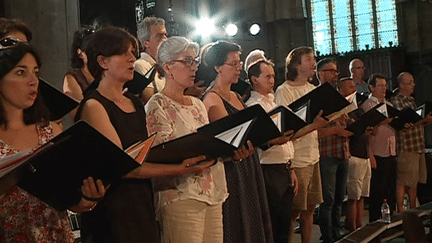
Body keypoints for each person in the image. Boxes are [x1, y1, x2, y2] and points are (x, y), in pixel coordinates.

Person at [75, 26, 211, 243]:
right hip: (114, 210)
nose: (133, 58)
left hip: (142, 202)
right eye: (124, 53)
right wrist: (180, 168)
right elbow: (123, 166)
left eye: (133, 52)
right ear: (102, 62)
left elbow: (145, 153)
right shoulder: (94, 105)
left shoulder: (135, 103)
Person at [145, 36, 252, 243]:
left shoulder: (197, 104)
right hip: (180, 194)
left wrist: (231, 154)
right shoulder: (157, 104)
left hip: (211, 190)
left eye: (194, 61)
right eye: (187, 61)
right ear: (167, 67)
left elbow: (209, 148)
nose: (194, 67)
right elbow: (163, 152)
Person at [0, 38, 105, 242]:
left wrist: (87, 199)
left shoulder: (50, 131)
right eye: (21, 72)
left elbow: (69, 200)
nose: (33, 81)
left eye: (36, 72)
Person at [202, 41, 273, 243]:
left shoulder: (235, 95)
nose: (238, 67)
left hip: (249, 164)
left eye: (239, 62)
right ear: (217, 67)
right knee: (238, 224)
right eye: (233, 63)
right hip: (233, 170)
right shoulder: (211, 98)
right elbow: (229, 136)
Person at [244, 49, 298, 243]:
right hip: (267, 169)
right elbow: (258, 140)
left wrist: (290, 168)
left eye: (273, 76)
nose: (272, 80)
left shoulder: (272, 101)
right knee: (272, 225)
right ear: (254, 79)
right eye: (267, 76)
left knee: (284, 224)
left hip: (283, 168)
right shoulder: (253, 106)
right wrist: (277, 139)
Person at [274, 46, 324, 243]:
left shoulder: (313, 90)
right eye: (309, 59)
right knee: (293, 211)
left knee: (310, 207)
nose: (314, 63)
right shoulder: (284, 91)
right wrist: (315, 126)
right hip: (297, 159)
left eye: (314, 59)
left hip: (314, 156)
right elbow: (285, 133)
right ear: (296, 64)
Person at [316, 58, 353, 243]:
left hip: (343, 152)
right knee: (327, 200)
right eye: (332, 71)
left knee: (340, 197)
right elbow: (312, 132)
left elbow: (346, 122)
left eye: (336, 71)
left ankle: (337, 232)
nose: (336, 74)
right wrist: (336, 129)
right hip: (327, 153)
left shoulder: (339, 97)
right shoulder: (315, 97)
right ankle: (327, 236)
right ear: (321, 74)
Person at [390, 72, 432, 212]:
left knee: (414, 181)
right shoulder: (397, 101)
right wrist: (423, 120)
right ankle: (401, 211)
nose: (413, 85)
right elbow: (404, 123)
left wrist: (425, 122)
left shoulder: (412, 100)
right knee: (403, 180)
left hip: (417, 145)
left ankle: (413, 209)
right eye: (410, 83)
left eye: (413, 82)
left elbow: (415, 123)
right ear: (401, 85)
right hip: (407, 146)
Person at [361, 73, 397, 222]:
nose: (384, 88)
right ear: (371, 87)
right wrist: (370, 154)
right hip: (377, 153)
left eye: (385, 85)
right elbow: (368, 132)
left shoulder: (389, 105)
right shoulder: (368, 105)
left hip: (390, 150)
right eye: (380, 85)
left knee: (390, 189)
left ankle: (390, 221)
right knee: (377, 191)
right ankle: (375, 223)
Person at [338, 77, 372, 231]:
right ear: (342, 90)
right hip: (354, 155)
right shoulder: (343, 110)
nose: (354, 89)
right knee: (353, 196)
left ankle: (360, 226)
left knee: (362, 195)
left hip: (364, 154)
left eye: (354, 86)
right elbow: (346, 131)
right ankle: (352, 229)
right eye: (350, 87)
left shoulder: (359, 108)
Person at [63, 28, 96, 117]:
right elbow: (79, 114)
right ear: (80, 53)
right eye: (91, 50)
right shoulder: (73, 76)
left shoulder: (104, 74)